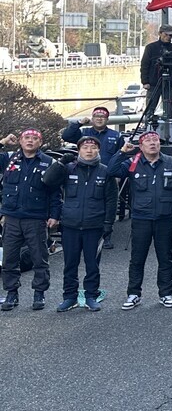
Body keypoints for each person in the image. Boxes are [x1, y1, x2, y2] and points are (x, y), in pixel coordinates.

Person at [106, 131, 172, 309]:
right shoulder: (133, 163)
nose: (152, 144)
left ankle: (165, 294)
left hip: (164, 217)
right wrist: (122, 152)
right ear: (140, 147)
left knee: (165, 258)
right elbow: (111, 171)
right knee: (137, 258)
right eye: (148, 141)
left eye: (155, 141)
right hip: (141, 217)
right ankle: (134, 294)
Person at [41, 137, 110, 311]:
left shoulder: (104, 171)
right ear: (79, 150)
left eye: (93, 147)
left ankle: (91, 296)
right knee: (70, 264)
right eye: (85, 147)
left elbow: (111, 200)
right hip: (70, 225)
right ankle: (69, 297)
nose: (89, 150)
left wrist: (108, 224)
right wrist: (60, 163)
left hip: (94, 226)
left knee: (92, 264)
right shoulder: (68, 169)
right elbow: (48, 181)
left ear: (98, 151)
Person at [0, 130, 60, 311]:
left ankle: (39, 293)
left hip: (35, 218)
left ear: (40, 143)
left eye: (35, 138)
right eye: (26, 138)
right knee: (9, 258)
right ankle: (11, 293)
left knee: (39, 258)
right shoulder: (9, 159)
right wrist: (2, 142)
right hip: (11, 218)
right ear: (20, 141)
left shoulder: (49, 163)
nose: (30, 141)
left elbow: (55, 192)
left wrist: (55, 215)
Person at [61, 107, 122, 248]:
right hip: (84, 172)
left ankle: (106, 236)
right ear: (92, 118)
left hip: (107, 174)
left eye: (102, 116)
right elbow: (66, 136)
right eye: (96, 116)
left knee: (108, 204)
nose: (99, 118)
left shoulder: (116, 135)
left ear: (107, 119)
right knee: (87, 202)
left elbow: (121, 155)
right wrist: (79, 123)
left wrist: (117, 173)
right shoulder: (84, 133)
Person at [140, 24, 172, 120]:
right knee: (150, 109)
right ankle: (148, 126)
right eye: (166, 34)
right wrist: (145, 81)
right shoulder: (151, 48)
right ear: (160, 34)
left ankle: (170, 129)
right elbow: (145, 65)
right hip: (153, 83)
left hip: (169, 83)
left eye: (171, 35)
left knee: (170, 110)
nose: (168, 37)